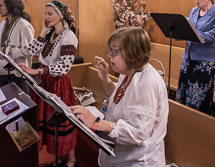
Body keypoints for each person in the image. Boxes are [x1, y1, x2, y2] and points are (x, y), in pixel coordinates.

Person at [70, 27, 169, 167]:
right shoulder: (129, 71)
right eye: (110, 49)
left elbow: (137, 132)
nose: (109, 55)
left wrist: (96, 122)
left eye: (115, 51)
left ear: (132, 52)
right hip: (120, 157)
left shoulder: (146, 82)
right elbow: (118, 98)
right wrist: (105, 77)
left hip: (138, 161)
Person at [19, 0, 78, 167]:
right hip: (46, 81)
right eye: (45, 13)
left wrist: (37, 71)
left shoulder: (69, 36)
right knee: (48, 122)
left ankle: (72, 160)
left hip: (58, 83)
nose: (46, 17)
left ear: (61, 16)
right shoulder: (51, 34)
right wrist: (43, 31)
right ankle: (59, 157)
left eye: (50, 13)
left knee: (61, 121)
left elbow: (64, 67)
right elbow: (30, 51)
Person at [175, 0, 215, 115]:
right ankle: (184, 117)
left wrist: (192, 35)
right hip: (188, 58)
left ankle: (198, 122)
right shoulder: (193, 11)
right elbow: (188, 29)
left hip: (206, 61)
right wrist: (177, 32)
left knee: (200, 95)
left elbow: (213, 34)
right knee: (184, 91)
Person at [0, 0, 34, 95]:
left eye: (0, 5)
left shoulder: (24, 25)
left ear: (10, 5)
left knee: (22, 108)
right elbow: (0, 43)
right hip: (2, 71)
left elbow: (29, 51)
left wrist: (5, 50)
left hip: (18, 75)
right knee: (4, 105)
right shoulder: (3, 24)